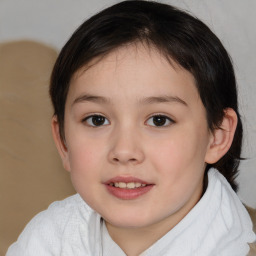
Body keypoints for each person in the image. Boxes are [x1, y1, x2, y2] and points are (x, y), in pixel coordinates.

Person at [7, 0, 256, 255]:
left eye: (159, 120)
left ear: (216, 136)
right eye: (97, 120)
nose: (124, 151)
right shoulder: (46, 238)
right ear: (63, 141)